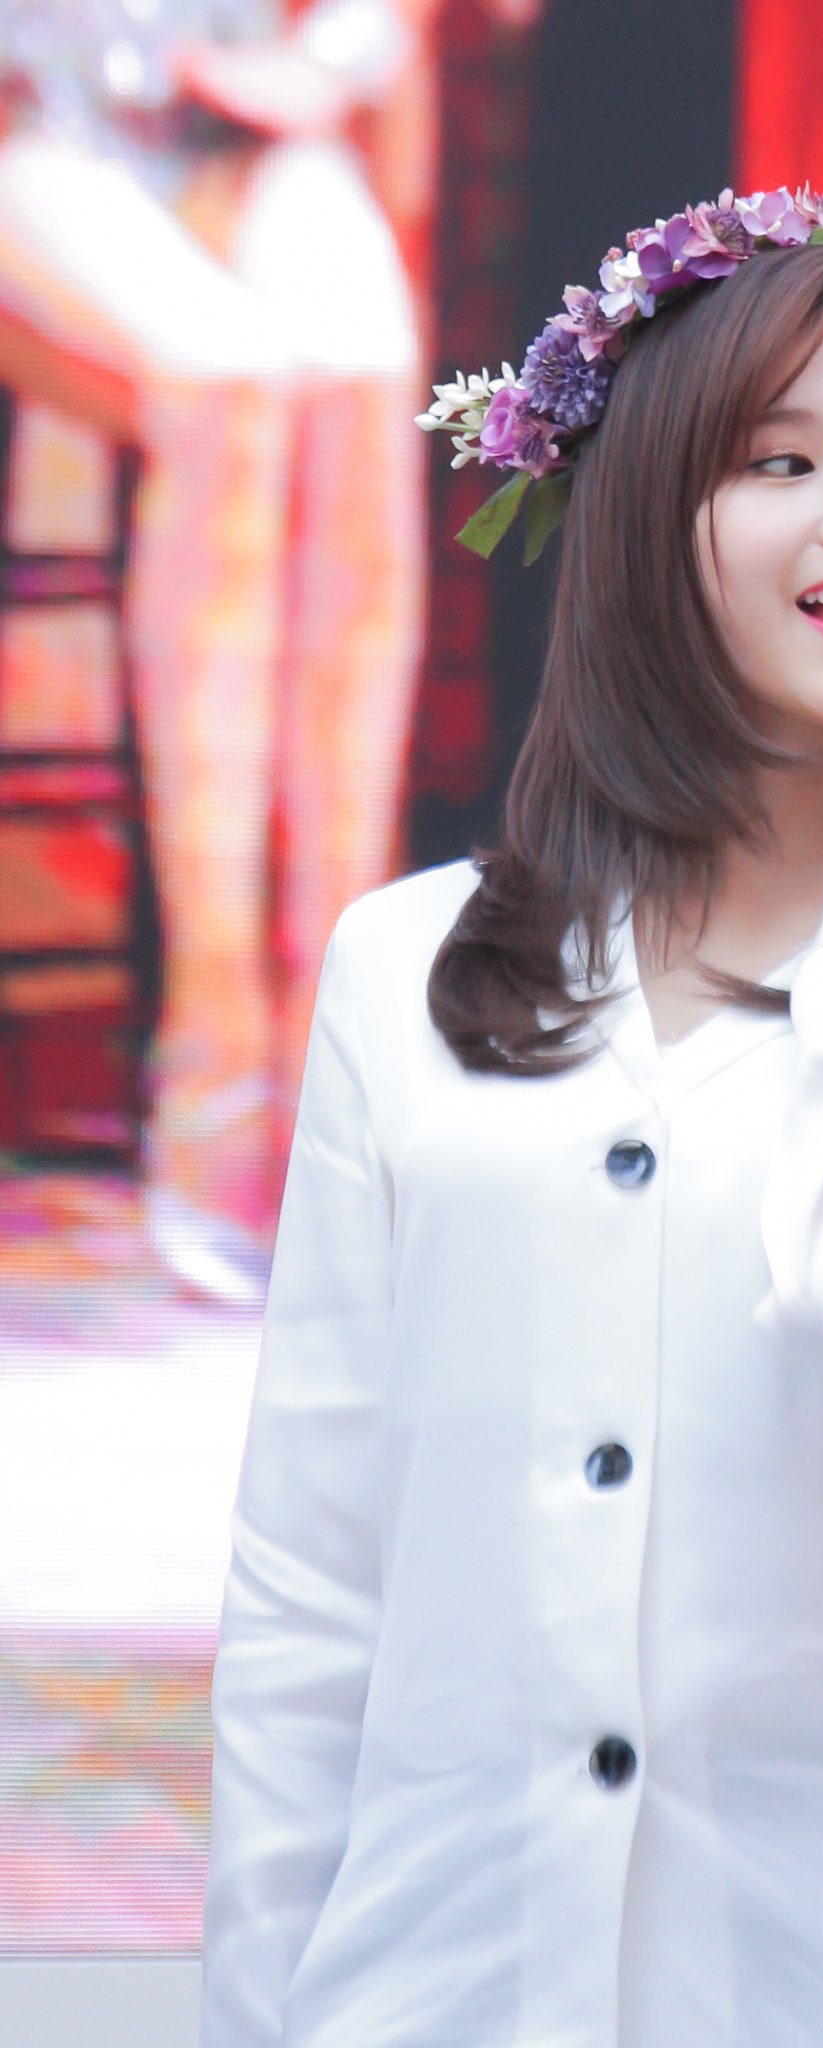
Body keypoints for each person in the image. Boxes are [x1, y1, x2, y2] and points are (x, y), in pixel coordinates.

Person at [196, 188, 823, 2047]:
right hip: (440, 1988)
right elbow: (311, 1571)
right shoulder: (399, 968)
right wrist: (261, 2011)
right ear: (647, 521)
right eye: (780, 461)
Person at [0, 0, 438, 1306]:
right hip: (43, 111)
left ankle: (337, 1055)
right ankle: (213, 1064)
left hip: (251, 122)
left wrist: (328, 60)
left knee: (361, 392)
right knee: (229, 385)